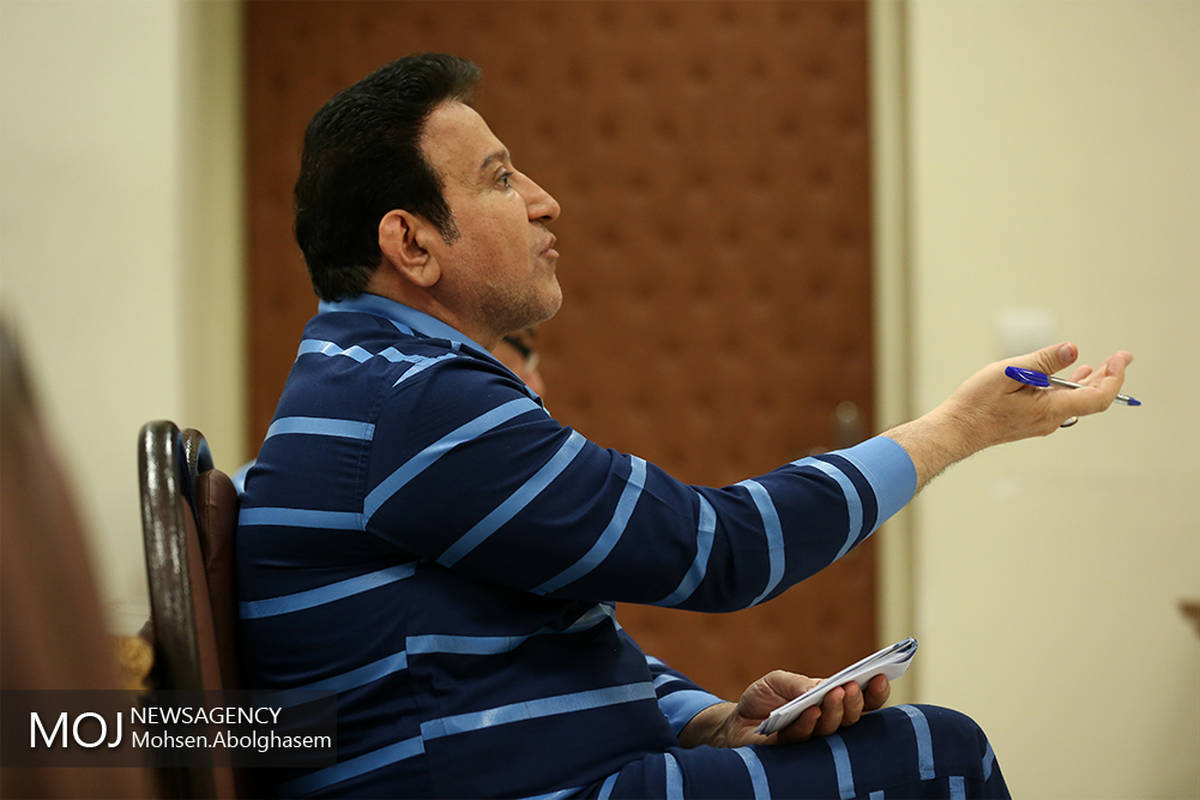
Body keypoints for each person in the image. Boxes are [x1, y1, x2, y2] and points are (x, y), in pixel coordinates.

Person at [236, 54, 1132, 798]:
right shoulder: (414, 400)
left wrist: (710, 721)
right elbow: (719, 550)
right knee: (939, 755)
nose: (544, 201)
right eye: (500, 179)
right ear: (412, 244)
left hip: (539, 772)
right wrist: (958, 429)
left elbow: (555, 631)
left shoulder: (375, 380)